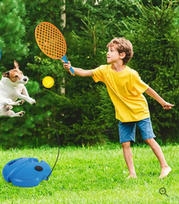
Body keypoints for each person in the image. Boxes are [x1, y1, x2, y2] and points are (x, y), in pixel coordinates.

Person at [62, 37, 174, 178]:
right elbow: (84, 72)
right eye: (108, 50)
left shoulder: (131, 74)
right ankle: (132, 174)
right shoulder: (104, 70)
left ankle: (165, 166)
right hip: (123, 114)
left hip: (139, 110)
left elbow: (147, 89)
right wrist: (70, 68)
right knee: (125, 144)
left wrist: (162, 102)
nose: (107, 53)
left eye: (111, 50)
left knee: (149, 139)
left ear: (122, 55)